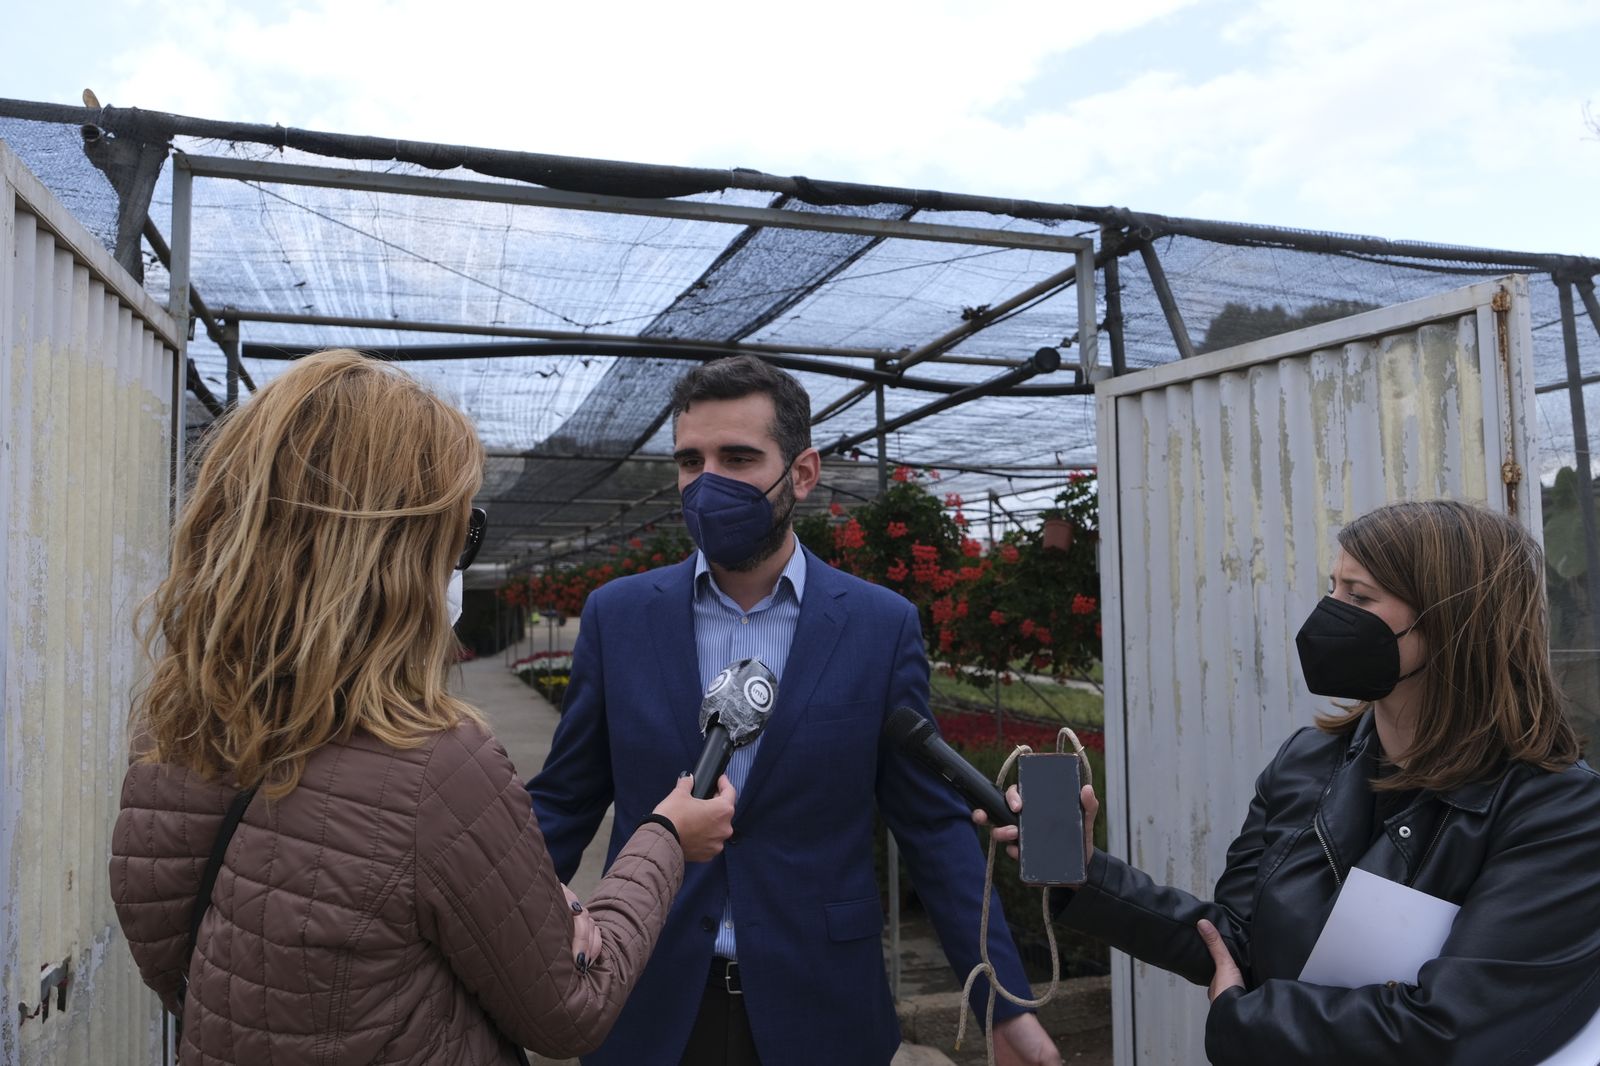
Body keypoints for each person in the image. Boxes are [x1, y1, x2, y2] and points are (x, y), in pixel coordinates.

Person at [109, 349, 737, 1066]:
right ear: (399, 550)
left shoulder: (173, 730)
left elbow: (173, 959)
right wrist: (663, 837)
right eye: (462, 530)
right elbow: (570, 1011)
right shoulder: (433, 766)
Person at [528, 355, 1061, 1066]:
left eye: (738, 457)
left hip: (824, 1009)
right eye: (691, 460)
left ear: (802, 474)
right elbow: (564, 803)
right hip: (648, 1003)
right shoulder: (619, 617)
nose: (707, 481)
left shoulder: (877, 626)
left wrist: (1001, 1001)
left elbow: (931, 828)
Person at [978, 499, 1600, 1065]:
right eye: (1333, 589)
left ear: (1455, 623)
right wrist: (1086, 872)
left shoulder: (1558, 810)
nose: (1329, 615)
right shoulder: (1307, 760)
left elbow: (1454, 1028)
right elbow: (1236, 941)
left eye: (1358, 598)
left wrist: (1247, 1024)